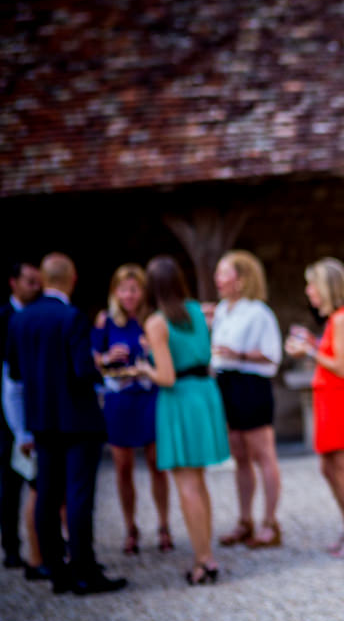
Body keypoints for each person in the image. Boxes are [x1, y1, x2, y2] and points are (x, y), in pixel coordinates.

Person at [6, 253, 127, 595]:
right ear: (72, 279)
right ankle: (85, 571)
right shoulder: (71, 317)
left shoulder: (21, 320)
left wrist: (23, 429)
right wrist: (104, 372)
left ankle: (56, 571)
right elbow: (82, 370)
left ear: (43, 280)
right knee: (78, 495)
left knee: (47, 495)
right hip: (77, 421)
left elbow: (15, 375)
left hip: (41, 422)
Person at [137, 255, 230, 586]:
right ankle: (208, 554)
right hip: (204, 395)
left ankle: (203, 560)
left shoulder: (157, 322)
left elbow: (165, 376)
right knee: (199, 482)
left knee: (187, 485)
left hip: (179, 401)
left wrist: (142, 368)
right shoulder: (196, 311)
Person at [285, 258, 344, 558]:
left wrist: (309, 349)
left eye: (313, 285)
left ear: (327, 287)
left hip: (341, 400)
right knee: (329, 468)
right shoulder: (337, 320)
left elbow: (343, 368)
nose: (309, 291)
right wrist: (315, 343)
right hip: (329, 400)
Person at [92, 264, 172, 555]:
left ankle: (164, 524)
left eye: (134, 289)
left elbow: (167, 357)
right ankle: (130, 527)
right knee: (123, 467)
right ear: (116, 292)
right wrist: (107, 358)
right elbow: (92, 360)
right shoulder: (106, 320)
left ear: (143, 291)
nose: (129, 295)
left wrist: (150, 350)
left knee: (156, 463)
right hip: (120, 399)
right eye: (124, 289)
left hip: (149, 395)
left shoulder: (152, 320)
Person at [210, 250, 284, 549]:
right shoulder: (222, 311)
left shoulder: (258, 312)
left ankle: (270, 522)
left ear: (240, 280)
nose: (218, 279)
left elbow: (272, 356)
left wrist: (236, 353)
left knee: (263, 453)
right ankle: (244, 520)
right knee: (239, 454)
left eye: (223, 273)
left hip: (251, 383)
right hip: (226, 383)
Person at [1, 260, 41, 570]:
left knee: (40, 482)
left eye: (37, 281)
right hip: (7, 414)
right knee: (10, 482)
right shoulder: (4, 318)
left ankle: (42, 545)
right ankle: (12, 546)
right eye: (29, 281)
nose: (35, 287)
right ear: (13, 282)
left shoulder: (38, 314)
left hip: (36, 410)